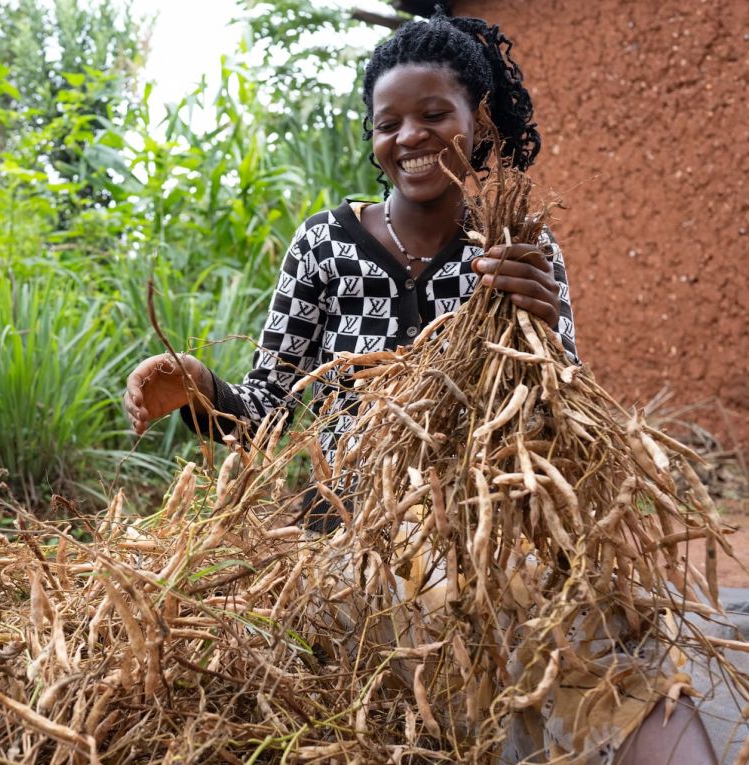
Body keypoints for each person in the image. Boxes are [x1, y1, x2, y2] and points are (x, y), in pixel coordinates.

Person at [123, 11, 716, 765]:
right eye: (387, 122)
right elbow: (268, 411)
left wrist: (535, 327)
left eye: (434, 114)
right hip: (348, 528)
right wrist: (198, 386)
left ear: (480, 121)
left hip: (485, 525)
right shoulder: (326, 246)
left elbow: (559, 428)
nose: (409, 137)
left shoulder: (518, 249)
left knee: (621, 640)